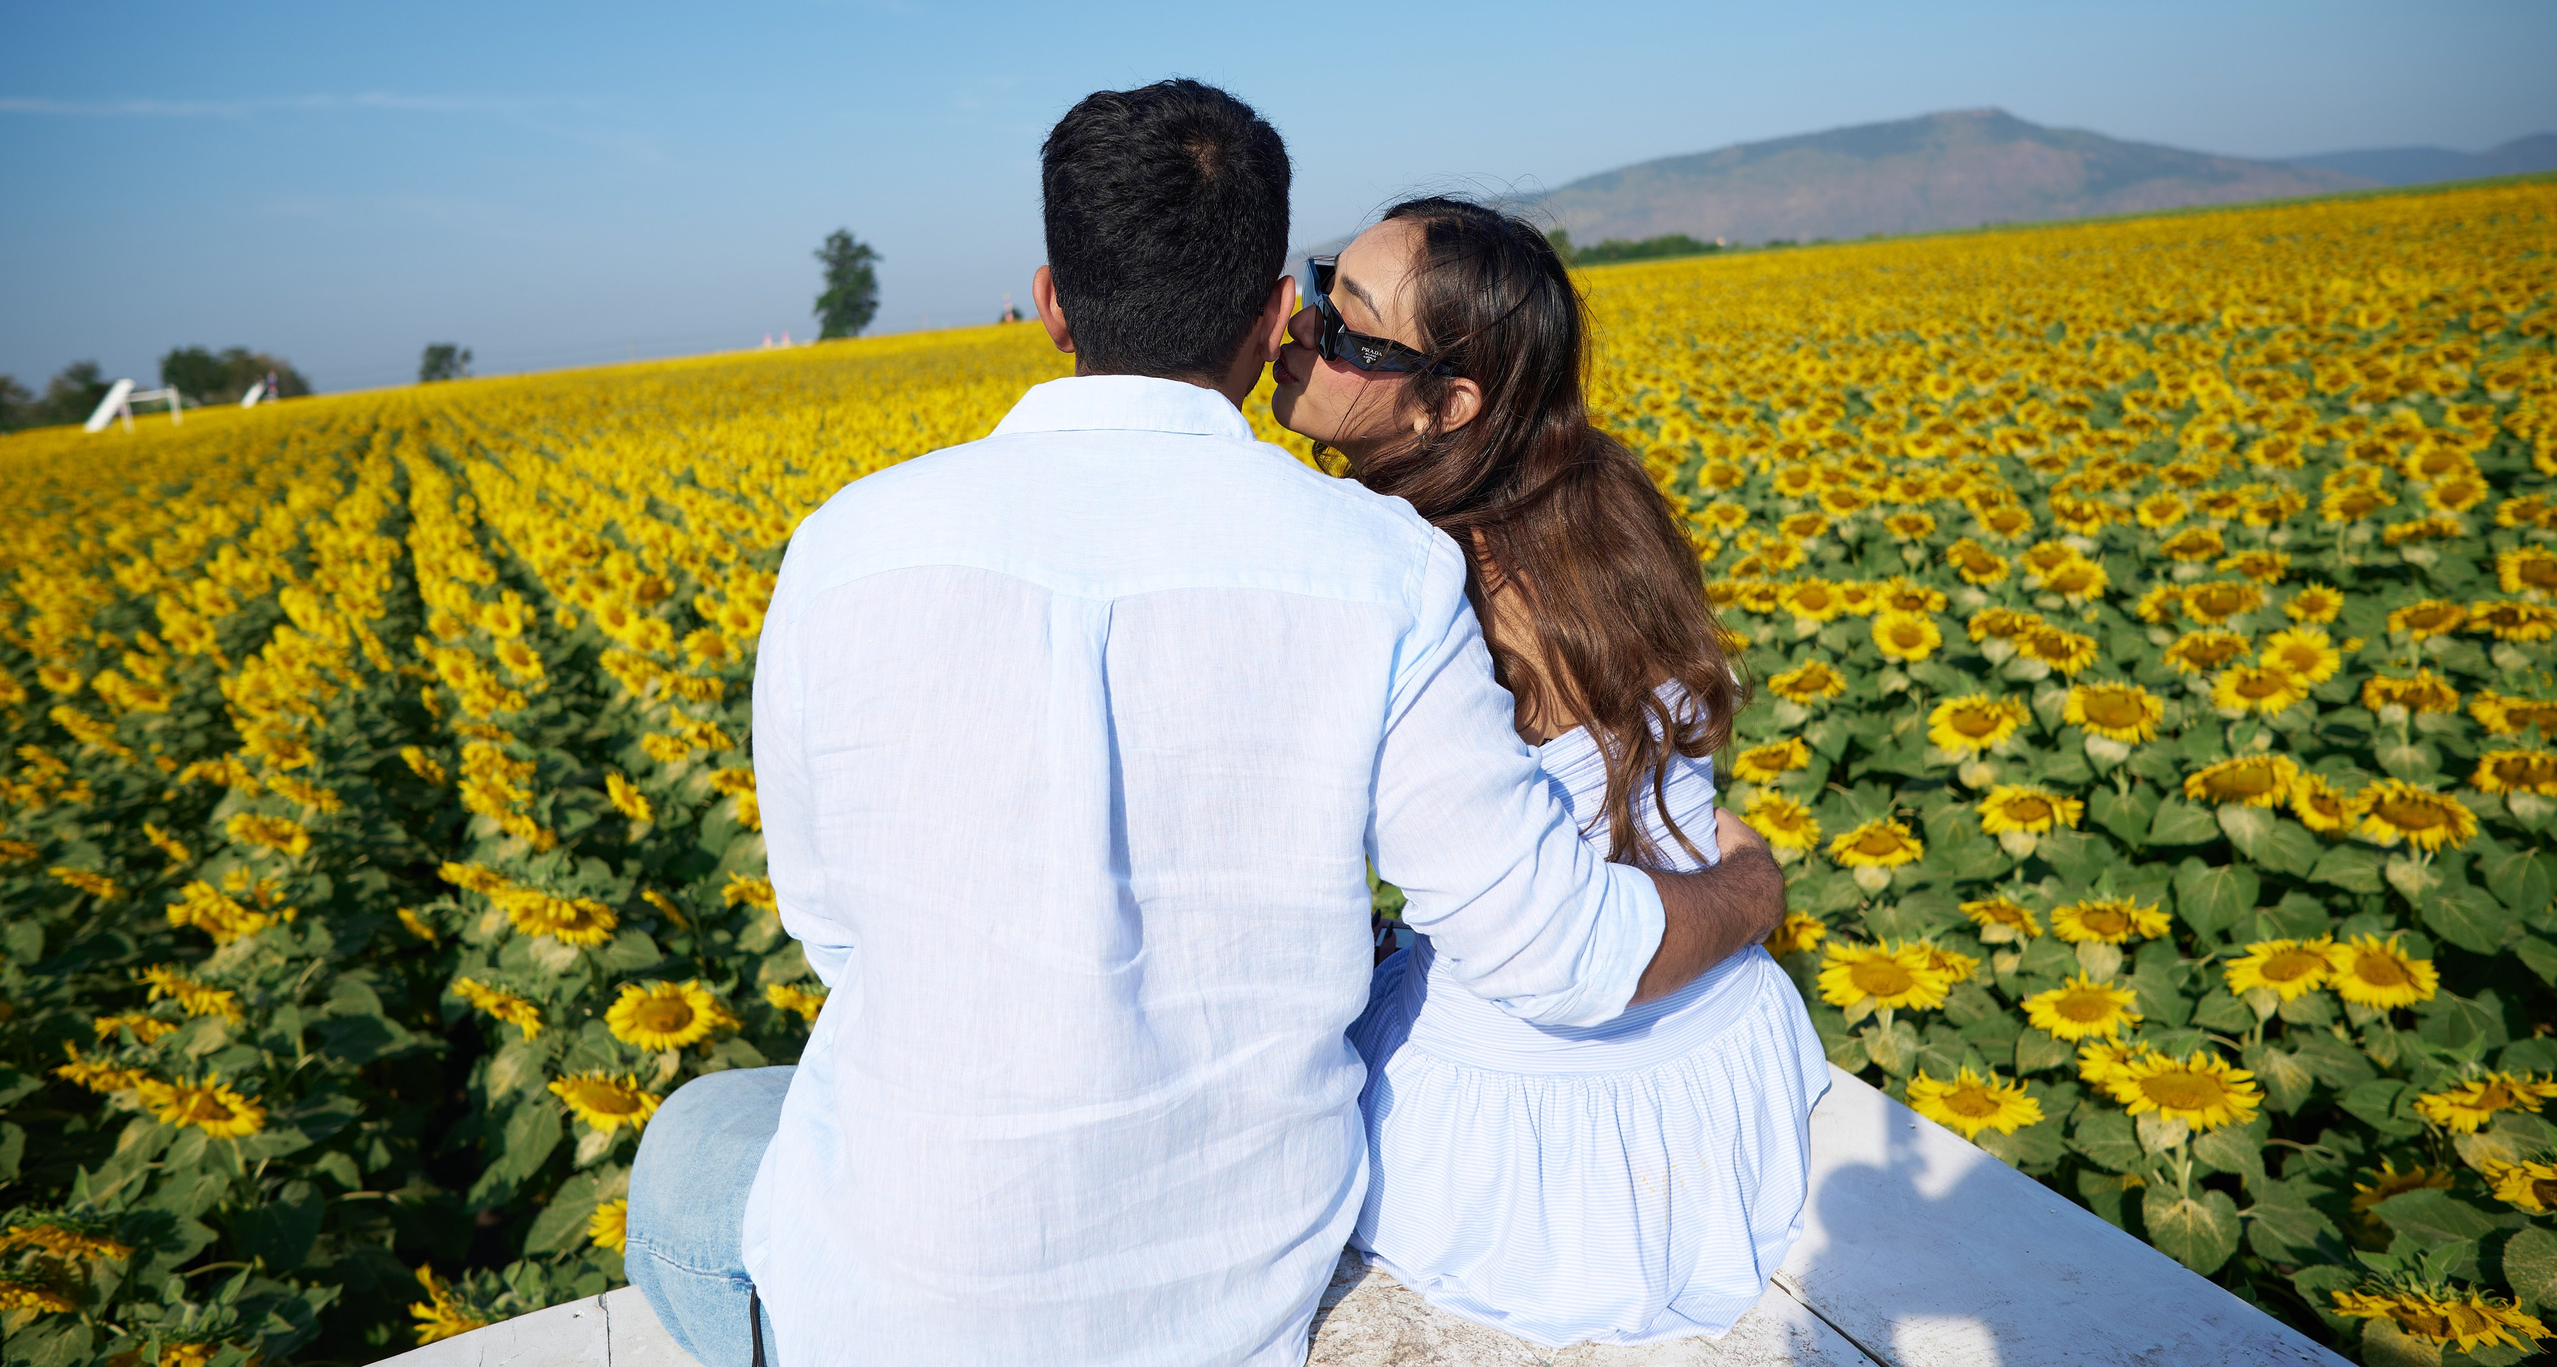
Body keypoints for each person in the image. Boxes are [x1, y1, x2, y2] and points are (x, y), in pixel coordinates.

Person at [620, 80, 1785, 1367]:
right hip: (1231, 1290)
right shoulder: (1386, 566)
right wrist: (1745, 885)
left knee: (698, 1137)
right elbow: (1551, 938)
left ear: (1051, 298)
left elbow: (834, 923)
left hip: (914, 1307)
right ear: (1274, 309)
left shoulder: (844, 544)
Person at [1268, 197, 1829, 1347]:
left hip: (1543, 1151)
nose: (1300, 323)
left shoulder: (1408, 570)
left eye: (1348, 324)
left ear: (1447, 403)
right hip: (1723, 1066)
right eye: (1321, 280)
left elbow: (1551, 955)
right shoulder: (1602, 496)